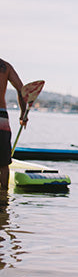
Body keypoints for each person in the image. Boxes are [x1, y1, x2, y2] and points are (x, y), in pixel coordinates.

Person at [0, 59, 27, 191]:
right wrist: (23, 114)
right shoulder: (6, 66)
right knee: (4, 163)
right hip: (2, 117)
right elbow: (22, 90)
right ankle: (4, 199)